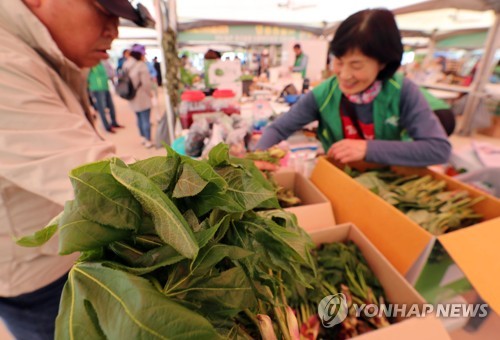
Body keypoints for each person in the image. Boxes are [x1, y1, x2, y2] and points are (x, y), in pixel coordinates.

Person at [0, 1, 154, 339]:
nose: (114, 30)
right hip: (38, 277)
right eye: (104, 10)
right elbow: (95, 179)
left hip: (60, 252)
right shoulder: (6, 60)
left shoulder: (40, 52)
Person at [256, 9, 451, 167]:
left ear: (382, 63)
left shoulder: (402, 91)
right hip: (342, 177)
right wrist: (258, 157)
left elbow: (438, 149)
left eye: (356, 65)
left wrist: (368, 148)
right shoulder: (324, 94)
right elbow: (278, 128)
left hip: (389, 179)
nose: (345, 75)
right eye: (339, 62)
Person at [123, 43, 154, 148]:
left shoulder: (126, 64)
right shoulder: (141, 65)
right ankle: (148, 139)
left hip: (131, 96)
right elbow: (146, 83)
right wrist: (150, 93)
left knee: (138, 117)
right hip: (142, 96)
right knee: (146, 119)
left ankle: (142, 137)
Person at [88, 61, 123, 133]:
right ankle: (107, 127)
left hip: (105, 87)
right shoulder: (89, 64)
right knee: (102, 109)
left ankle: (114, 122)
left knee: (111, 106)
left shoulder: (101, 63)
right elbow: (85, 78)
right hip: (97, 89)